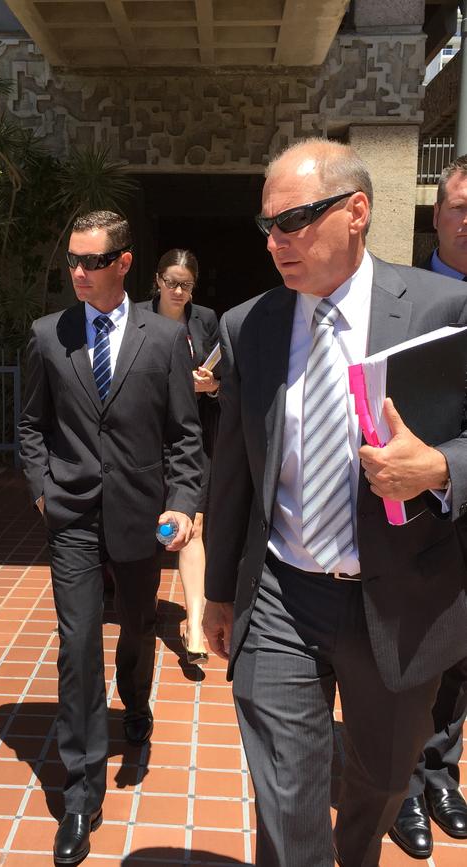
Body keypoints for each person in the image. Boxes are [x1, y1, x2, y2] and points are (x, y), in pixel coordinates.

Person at [202, 138, 467, 867]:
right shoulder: (246, 326)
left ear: (357, 212)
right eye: (268, 226)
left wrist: (441, 466)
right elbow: (234, 475)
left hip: (400, 600)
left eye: (296, 220)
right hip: (284, 593)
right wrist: (220, 591)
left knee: (382, 780)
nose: (276, 243)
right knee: (287, 794)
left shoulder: (443, 308)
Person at [18, 210, 202, 865]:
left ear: (124, 264)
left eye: (91, 261)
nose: (78, 272)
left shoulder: (162, 339)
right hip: (70, 519)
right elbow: (31, 425)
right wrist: (43, 488)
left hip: (138, 517)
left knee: (136, 625)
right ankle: (81, 791)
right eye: (73, 259)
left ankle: (137, 697)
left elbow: (185, 435)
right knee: (75, 646)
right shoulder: (48, 335)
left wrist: (183, 502)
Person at [389, 155, 467, 858]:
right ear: (437, 214)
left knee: (463, 659)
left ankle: (441, 768)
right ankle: (405, 781)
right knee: (422, 652)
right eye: (462, 207)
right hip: (422, 514)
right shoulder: (405, 301)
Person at [137, 248, 219, 664]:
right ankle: (139, 603)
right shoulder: (135, 319)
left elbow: (222, 378)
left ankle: (196, 627)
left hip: (194, 437)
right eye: (171, 282)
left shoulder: (205, 320)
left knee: (194, 524)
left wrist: (211, 385)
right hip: (145, 439)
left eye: (185, 284)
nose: (177, 290)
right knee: (149, 519)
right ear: (156, 280)